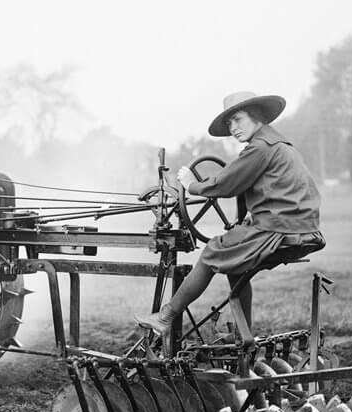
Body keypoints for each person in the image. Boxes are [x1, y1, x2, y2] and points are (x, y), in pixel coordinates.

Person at [135, 91, 324, 335]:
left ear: (257, 117)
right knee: (236, 267)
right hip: (303, 228)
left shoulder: (260, 148)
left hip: (280, 230)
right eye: (229, 123)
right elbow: (264, 190)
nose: (233, 128)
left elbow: (226, 184)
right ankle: (243, 337)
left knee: (212, 251)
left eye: (238, 119)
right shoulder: (279, 145)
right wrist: (245, 219)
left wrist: (191, 184)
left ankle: (165, 316)